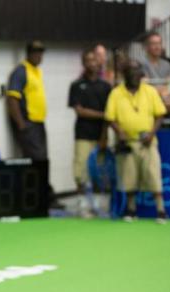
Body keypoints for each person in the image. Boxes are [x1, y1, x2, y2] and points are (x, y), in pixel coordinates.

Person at [105, 60, 168, 224]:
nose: (135, 77)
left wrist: (152, 133)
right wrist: (119, 131)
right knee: (129, 177)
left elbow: (160, 114)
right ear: (125, 75)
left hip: (148, 141)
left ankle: (161, 211)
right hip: (127, 143)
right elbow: (110, 118)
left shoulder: (150, 91)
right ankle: (131, 210)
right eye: (131, 74)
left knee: (153, 174)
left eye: (137, 74)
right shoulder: (116, 93)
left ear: (141, 76)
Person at [6, 41, 60, 208]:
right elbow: (12, 99)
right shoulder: (21, 71)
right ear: (28, 53)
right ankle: (45, 197)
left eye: (41, 53)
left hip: (38, 123)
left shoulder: (37, 71)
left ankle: (37, 196)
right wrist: (21, 124)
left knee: (40, 160)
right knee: (38, 160)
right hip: (28, 124)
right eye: (36, 52)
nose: (39, 56)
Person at [68, 48, 112, 218]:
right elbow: (80, 111)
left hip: (100, 135)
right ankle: (82, 205)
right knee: (80, 172)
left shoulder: (106, 86)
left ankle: (97, 205)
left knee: (98, 172)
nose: (92, 63)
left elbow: (110, 115)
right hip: (82, 135)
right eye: (88, 60)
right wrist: (102, 114)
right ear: (84, 63)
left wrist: (105, 135)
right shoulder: (76, 85)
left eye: (95, 60)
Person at [140, 32, 170, 128]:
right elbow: (145, 87)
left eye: (159, 43)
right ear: (147, 47)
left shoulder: (167, 64)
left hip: (165, 99)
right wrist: (164, 89)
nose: (157, 47)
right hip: (149, 99)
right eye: (154, 44)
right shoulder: (141, 63)